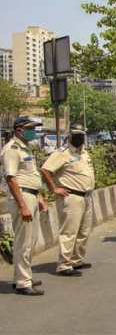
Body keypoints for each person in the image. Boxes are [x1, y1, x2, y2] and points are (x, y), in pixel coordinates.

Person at [41, 124, 95, 277]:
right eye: (76, 135)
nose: (79, 138)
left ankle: (76, 260)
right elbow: (45, 170)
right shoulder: (62, 153)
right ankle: (64, 265)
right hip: (71, 197)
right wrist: (54, 188)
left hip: (86, 196)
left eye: (81, 135)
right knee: (69, 232)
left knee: (84, 231)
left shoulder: (85, 153)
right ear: (70, 136)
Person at [1, 117, 46, 296]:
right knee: (24, 242)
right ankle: (22, 282)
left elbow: (31, 175)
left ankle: (23, 276)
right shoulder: (11, 150)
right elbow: (11, 179)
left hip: (31, 195)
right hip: (23, 197)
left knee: (31, 239)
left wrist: (40, 195)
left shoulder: (25, 148)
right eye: (30, 128)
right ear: (19, 130)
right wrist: (22, 206)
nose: (33, 132)